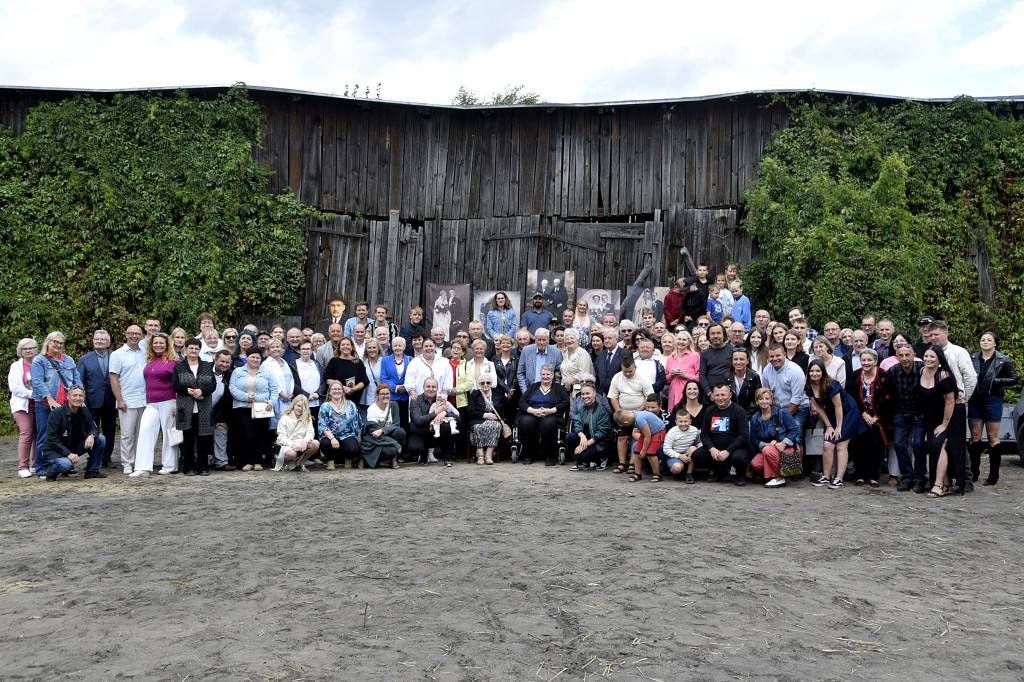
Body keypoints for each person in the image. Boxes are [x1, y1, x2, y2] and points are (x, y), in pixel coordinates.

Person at [927, 320, 976, 491]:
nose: (933, 337)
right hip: (936, 405)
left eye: (936, 334)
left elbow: (970, 376)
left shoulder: (958, 352)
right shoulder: (930, 352)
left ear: (946, 333)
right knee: (939, 442)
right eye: (930, 335)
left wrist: (963, 396)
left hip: (955, 403)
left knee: (956, 442)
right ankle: (941, 479)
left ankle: (965, 479)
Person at [805, 358, 866, 489]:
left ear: (823, 372)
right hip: (831, 413)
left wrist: (838, 427)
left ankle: (839, 478)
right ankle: (826, 477)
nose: (814, 374)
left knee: (841, 444)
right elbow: (820, 408)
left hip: (848, 411)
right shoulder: (809, 386)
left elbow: (839, 406)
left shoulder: (831, 384)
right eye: (812, 371)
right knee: (827, 444)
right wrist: (828, 426)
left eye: (818, 371)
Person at [968, 331, 1018, 486]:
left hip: (993, 400)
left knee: (993, 437)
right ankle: (973, 472)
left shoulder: (1003, 360)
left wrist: (996, 381)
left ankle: (993, 475)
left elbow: (1014, 379)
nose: (985, 342)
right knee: (975, 435)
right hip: (975, 399)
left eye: (989, 340)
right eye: (983, 339)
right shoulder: (973, 358)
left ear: (995, 343)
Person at [31, 331, 81, 476]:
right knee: (44, 436)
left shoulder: (69, 360)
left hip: (66, 405)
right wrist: (49, 398)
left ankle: (66, 467)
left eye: (61, 343)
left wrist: (79, 397)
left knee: (67, 436)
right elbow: (38, 381)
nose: (58, 345)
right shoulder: (39, 360)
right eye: (55, 342)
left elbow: (76, 380)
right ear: (48, 342)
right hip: (45, 405)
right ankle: (42, 468)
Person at [130, 333, 180, 477]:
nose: (158, 345)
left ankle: (169, 465)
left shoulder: (173, 362)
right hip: (152, 403)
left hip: (169, 401)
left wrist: (177, 404)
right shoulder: (149, 360)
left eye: (161, 343)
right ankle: (143, 467)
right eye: (155, 343)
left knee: (168, 433)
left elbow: (177, 384)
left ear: (167, 344)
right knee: (145, 430)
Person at [39, 386, 107, 481]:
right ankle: (51, 472)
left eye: (80, 396)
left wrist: (91, 436)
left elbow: (93, 428)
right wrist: (68, 454)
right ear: (68, 397)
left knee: (100, 439)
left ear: (84, 398)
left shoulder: (84, 411)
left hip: (72, 447)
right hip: (54, 450)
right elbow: (52, 438)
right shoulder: (56, 413)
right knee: (65, 464)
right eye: (74, 395)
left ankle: (92, 470)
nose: (77, 398)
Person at [919, 346, 961, 497]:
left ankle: (939, 485)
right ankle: (947, 484)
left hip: (949, 417)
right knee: (932, 445)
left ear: (939, 359)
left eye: (932, 357)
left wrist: (944, 424)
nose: (928, 359)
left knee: (939, 444)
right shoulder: (921, 371)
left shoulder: (944, 376)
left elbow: (950, 402)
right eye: (926, 356)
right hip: (931, 418)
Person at [849, 348, 895, 487]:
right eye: (863, 360)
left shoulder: (883, 376)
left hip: (879, 418)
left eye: (869, 360)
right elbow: (852, 397)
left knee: (876, 446)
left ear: (876, 361)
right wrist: (864, 414)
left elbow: (889, 398)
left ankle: (874, 476)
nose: (866, 362)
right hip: (861, 416)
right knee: (860, 445)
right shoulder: (856, 375)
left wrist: (876, 417)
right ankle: (860, 475)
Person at [227, 347, 277, 472]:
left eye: (258, 357)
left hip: (262, 408)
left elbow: (274, 390)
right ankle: (247, 461)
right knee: (247, 435)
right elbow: (232, 388)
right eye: (252, 357)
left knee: (261, 435)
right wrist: (246, 397)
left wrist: (271, 402)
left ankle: (258, 461)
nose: (255, 359)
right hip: (242, 407)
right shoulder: (238, 371)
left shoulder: (267, 372)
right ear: (247, 358)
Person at [172, 338, 215, 476]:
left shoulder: (208, 366)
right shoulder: (179, 366)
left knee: (203, 437)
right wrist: (189, 391)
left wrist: (202, 391)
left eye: (196, 348)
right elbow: (175, 385)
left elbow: (213, 385)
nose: (193, 351)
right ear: (186, 349)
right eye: (191, 348)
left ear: (199, 350)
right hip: (186, 407)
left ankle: (203, 467)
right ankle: (189, 467)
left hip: (204, 407)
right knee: (188, 438)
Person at [691, 382, 750, 485]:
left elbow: (743, 436)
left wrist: (728, 451)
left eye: (723, 395)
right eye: (717, 395)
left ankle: (740, 475)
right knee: (696, 456)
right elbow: (704, 434)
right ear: (713, 396)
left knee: (739, 458)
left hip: (734, 447)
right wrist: (711, 449)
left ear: (730, 395)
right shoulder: (709, 411)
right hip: (716, 447)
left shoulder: (739, 411)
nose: (720, 398)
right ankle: (721, 472)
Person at [887, 341, 926, 493]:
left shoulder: (922, 369)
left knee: (918, 445)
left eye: (907, 355)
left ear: (914, 356)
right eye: (901, 355)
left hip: (919, 413)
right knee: (899, 444)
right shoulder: (893, 372)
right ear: (896, 357)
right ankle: (907, 476)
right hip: (901, 412)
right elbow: (889, 393)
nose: (904, 358)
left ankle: (920, 478)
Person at [109, 324, 147, 474]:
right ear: (126, 335)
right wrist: (119, 399)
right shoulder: (117, 354)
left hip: (144, 400)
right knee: (127, 434)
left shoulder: (145, 352)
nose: (134, 336)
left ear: (141, 336)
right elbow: (113, 379)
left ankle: (140, 461)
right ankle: (127, 463)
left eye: (137, 334)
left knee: (142, 434)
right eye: (131, 333)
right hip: (127, 400)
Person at [77, 329, 117, 467]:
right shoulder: (84, 359)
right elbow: (80, 382)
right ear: (93, 341)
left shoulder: (115, 356)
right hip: (91, 401)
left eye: (102, 339)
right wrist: (82, 401)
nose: (99, 341)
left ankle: (106, 458)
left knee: (109, 430)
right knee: (91, 430)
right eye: (96, 339)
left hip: (111, 400)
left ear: (108, 342)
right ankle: (94, 457)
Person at [607, 356, 653, 473]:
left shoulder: (642, 378)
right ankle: (622, 462)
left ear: (635, 368)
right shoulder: (617, 377)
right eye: (625, 371)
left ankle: (633, 462)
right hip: (623, 411)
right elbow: (613, 397)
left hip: (639, 412)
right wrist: (619, 413)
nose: (627, 374)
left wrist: (638, 411)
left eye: (630, 371)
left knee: (634, 436)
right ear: (621, 368)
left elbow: (649, 397)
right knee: (622, 437)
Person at [518, 365, 570, 466]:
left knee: (547, 425)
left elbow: (565, 403)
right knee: (526, 423)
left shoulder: (559, 388)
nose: (545, 376)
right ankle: (528, 455)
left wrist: (550, 411)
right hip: (533, 412)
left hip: (551, 413)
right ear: (540, 375)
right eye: (543, 374)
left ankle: (549, 456)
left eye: (548, 374)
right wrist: (532, 411)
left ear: (552, 375)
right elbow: (522, 401)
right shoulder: (533, 387)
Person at [761, 343, 810, 451]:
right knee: (773, 436)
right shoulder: (766, 371)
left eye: (778, 355)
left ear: (784, 354)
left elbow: (797, 399)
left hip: (798, 408)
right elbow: (766, 394)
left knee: (795, 437)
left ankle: (798, 466)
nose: (775, 359)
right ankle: (778, 466)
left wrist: (783, 420)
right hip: (778, 408)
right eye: (771, 356)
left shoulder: (795, 370)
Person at [748, 387, 800, 488]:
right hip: (769, 449)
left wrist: (784, 443)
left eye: (767, 399)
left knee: (767, 451)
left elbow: (795, 429)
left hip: (787, 448)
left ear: (771, 400)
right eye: (761, 399)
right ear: (757, 402)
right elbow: (753, 439)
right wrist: (766, 444)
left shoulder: (781, 413)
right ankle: (772, 476)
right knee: (755, 463)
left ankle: (779, 478)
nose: (764, 402)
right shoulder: (755, 418)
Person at [408, 378, 458, 466]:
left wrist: (445, 413)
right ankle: (423, 454)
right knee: (414, 447)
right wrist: (436, 412)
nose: (431, 389)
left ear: (437, 388)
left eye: (433, 387)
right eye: (428, 387)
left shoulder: (442, 400)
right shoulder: (415, 400)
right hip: (421, 432)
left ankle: (446, 457)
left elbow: (458, 418)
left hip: (436, 433)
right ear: (423, 387)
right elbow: (418, 420)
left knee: (446, 427)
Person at [566, 382, 614, 471]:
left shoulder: (601, 410)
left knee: (579, 455)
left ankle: (601, 458)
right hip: (587, 439)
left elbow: (602, 432)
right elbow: (577, 425)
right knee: (570, 437)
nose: (585, 396)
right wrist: (582, 436)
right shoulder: (582, 409)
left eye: (588, 393)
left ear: (594, 393)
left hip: (601, 443)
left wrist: (585, 445)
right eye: (583, 394)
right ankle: (584, 462)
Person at [9, 338, 39, 477]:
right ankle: (22, 467)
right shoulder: (16, 366)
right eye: (25, 349)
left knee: (38, 435)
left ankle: (35, 464)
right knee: (26, 433)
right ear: (20, 351)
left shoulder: (40, 363)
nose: (28, 351)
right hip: (22, 406)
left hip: (39, 404)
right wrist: (33, 393)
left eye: (31, 348)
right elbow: (14, 387)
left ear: (36, 349)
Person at [317, 382, 363, 469]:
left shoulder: (351, 404)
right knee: (325, 443)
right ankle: (330, 461)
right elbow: (323, 426)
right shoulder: (325, 406)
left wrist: (358, 438)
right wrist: (332, 438)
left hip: (347, 435)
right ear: (329, 391)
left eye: (339, 389)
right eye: (334, 389)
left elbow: (357, 422)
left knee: (353, 449)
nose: (337, 391)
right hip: (330, 436)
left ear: (343, 391)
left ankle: (348, 460)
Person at [614, 407, 666, 482]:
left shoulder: (639, 419)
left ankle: (657, 474)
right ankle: (638, 473)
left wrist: (644, 450)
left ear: (626, 423)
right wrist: (641, 450)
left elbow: (648, 436)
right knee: (636, 451)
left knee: (650, 453)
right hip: (648, 433)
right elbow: (646, 434)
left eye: (623, 425)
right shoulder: (634, 416)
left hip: (658, 432)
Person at [362, 384, 405, 469]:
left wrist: (382, 430)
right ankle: (373, 459)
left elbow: (396, 424)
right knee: (392, 451)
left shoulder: (394, 405)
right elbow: (374, 433)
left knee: (400, 432)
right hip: (376, 440)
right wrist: (395, 443)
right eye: (382, 394)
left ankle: (393, 460)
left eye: (387, 394)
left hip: (385, 435)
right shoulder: (372, 409)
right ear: (377, 395)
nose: (385, 396)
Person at [466, 373, 505, 465]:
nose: (485, 385)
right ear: (479, 384)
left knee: (496, 426)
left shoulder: (497, 393)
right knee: (478, 427)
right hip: (478, 419)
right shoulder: (475, 394)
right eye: (482, 383)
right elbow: (470, 411)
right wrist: (484, 415)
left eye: (488, 382)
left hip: (494, 420)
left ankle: (488, 455)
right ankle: (480, 456)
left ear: (491, 383)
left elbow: (507, 404)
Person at [274, 395, 320, 471]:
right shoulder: (285, 418)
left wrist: (305, 441)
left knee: (315, 443)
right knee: (292, 454)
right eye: (298, 406)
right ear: (293, 405)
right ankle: (284, 463)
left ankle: (301, 463)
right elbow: (281, 437)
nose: (300, 409)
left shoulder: (308, 418)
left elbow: (310, 433)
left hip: (300, 442)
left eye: (303, 407)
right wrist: (292, 444)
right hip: (287, 443)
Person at [322, 337, 368, 409]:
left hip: (354, 400)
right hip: (336, 399)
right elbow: (328, 379)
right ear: (339, 347)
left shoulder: (358, 362)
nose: (345, 346)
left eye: (348, 344)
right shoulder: (333, 362)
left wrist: (352, 390)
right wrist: (343, 388)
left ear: (352, 347)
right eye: (343, 345)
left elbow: (364, 381)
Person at [209, 350, 236, 471]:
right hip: (199, 410)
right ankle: (197, 461)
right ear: (215, 360)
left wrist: (221, 419)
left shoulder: (231, 375)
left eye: (227, 362)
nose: (224, 364)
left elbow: (229, 400)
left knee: (221, 429)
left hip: (219, 412)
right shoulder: (205, 371)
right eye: (222, 361)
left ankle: (221, 462)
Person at [289, 340, 323, 432]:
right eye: (303, 349)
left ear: (312, 350)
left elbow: (323, 381)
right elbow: (292, 383)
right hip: (301, 402)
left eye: (308, 349)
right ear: (299, 351)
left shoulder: (316, 364)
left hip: (317, 401)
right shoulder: (293, 364)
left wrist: (318, 393)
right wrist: (307, 395)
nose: (305, 351)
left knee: (316, 426)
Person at [516, 329, 563, 393]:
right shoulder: (526, 351)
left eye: (544, 340)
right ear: (535, 340)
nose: (541, 342)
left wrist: (555, 391)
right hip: (530, 390)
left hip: (550, 390)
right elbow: (520, 373)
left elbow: (558, 374)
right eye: (539, 340)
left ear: (548, 340)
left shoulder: (556, 352)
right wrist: (525, 391)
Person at [380, 336, 411, 431]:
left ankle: (405, 444)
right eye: (395, 346)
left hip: (406, 396)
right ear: (392, 347)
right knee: (392, 422)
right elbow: (383, 378)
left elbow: (412, 377)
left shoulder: (411, 359)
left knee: (405, 422)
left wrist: (406, 386)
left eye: (400, 346)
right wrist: (396, 388)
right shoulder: (385, 360)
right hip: (392, 396)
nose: (397, 348)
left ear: (404, 347)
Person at [662, 410, 700, 482]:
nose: (683, 424)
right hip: (675, 455)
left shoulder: (694, 430)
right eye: (680, 422)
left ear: (690, 421)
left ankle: (689, 473)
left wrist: (698, 449)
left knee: (693, 448)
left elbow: (698, 442)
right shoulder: (672, 432)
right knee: (677, 468)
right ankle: (678, 471)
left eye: (685, 421)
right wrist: (679, 456)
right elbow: (666, 449)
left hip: (688, 454)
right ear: (676, 422)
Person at [699, 324, 732, 400]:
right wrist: (709, 393)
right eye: (713, 333)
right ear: (709, 336)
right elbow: (702, 375)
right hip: (711, 395)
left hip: (729, 394)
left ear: (724, 334)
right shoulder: (705, 354)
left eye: (718, 333)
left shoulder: (732, 351)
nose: (716, 336)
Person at [560, 330, 594, 398]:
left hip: (579, 392)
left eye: (572, 338)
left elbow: (584, 373)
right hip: (565, 390)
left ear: (577, 340)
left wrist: (569, 382)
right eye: (567, 339)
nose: (569, 341)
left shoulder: (582, 353)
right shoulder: (565, 353)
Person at [729, 347, 762, 416]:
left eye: (741, 359)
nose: (738, 362)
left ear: (747, 361)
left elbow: (757, 399)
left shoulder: (754, 377)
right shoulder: (727, 377)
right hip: (731, 415)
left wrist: (745, 415)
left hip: (750, 415)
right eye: (735, 359)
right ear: (732, 361)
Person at [595, 328, 626, 396]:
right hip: (602, 395)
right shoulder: (600, 355)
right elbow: (597, 376)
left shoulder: (625, 354)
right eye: (605, 338)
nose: (607, 340)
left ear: (617, 339)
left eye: (609, 338)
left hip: (618, 394)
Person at [359, 338, 385, 418]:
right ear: (366, 349)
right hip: (364, 400)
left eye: (374, 347)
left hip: (380, 400)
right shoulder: (362, 363)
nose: (372, 350)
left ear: (378, 348)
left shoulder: (384, 362)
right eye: (369, 348)